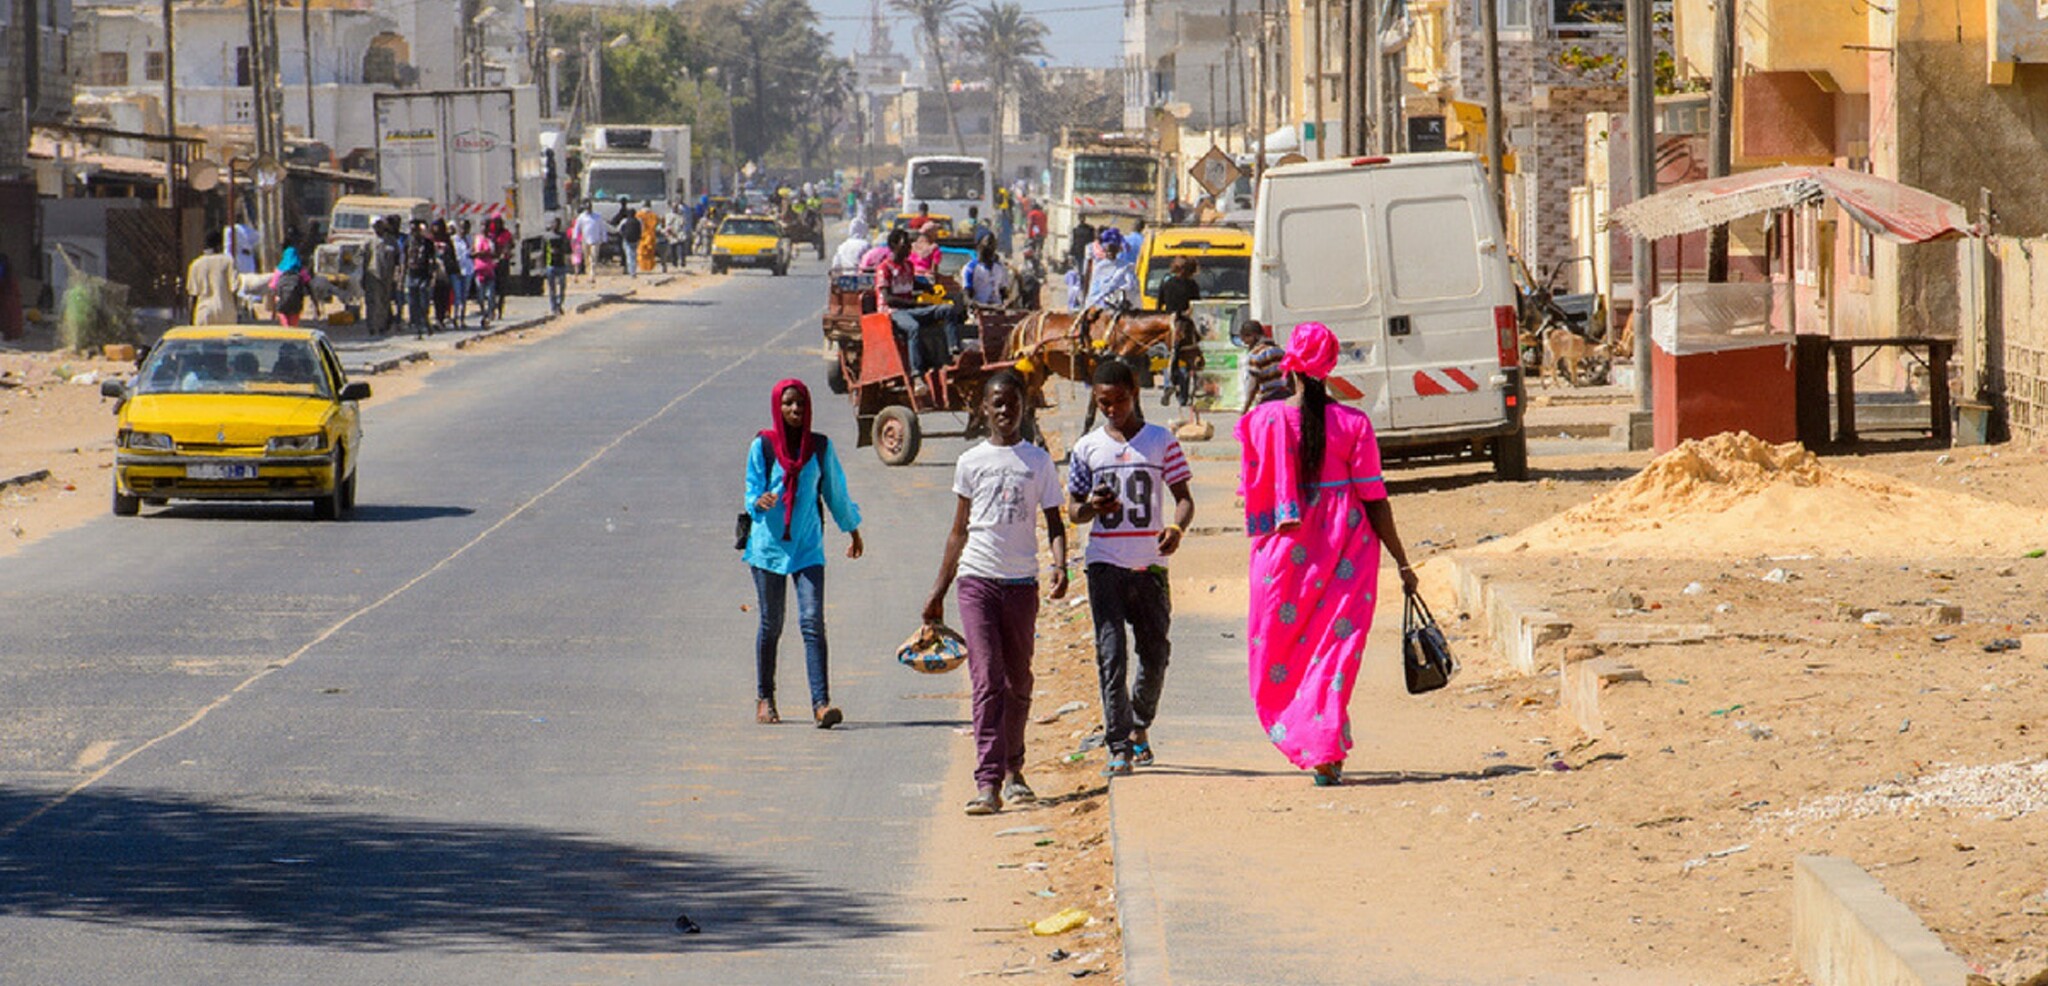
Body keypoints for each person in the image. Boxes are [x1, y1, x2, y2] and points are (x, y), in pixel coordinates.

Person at [1236, 322, 1419, 786]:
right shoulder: (1354, 424)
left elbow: (1251, 492)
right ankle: (1326, 745)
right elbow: (1375, 498)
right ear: (1332, 366)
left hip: (1283, 554)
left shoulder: (1262, 421)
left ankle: (1317, 739)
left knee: (1281, 650)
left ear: (1289, 363)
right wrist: (1401, 559)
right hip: (1347, 550)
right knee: (1334, 651)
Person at [923, 369, 1069, 815]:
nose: (1006, 411)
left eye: (1013, 403)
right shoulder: (971, 462)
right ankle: (988, 782)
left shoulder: (1038, 462)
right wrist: (938, 591)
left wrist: (1060, 564)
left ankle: (1014, 770)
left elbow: (1056, 523)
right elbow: (957, 532)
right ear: (984, 408)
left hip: (1022, 584)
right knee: (986, 680)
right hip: (977, 581)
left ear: (1025, 407)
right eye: (997, 403)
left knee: (1017, 680)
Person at [1067, 359, 1195, 777]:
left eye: (1119, 400)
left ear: (1134, 391)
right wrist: (1092, 507)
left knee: (1155, 653)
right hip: (1105, 564)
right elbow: (1075, 512)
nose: (1112, 409)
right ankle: (1118, 743)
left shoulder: (1161, 440)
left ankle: (1140, 724)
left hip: (1151, 567)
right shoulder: (1088, 448)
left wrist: (1176, 527)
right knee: (1111, 654)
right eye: (1103, 403)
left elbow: (1183, 497)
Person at [742, 379, 864, 729]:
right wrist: (758, 501)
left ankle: (821, 704)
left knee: (812, 622)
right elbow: (752, 489)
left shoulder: (819, 447)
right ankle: (765, 698)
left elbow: (835, 492)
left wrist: (852, 530)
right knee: (771, 623)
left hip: (808, 547)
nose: (795, 410)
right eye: (788, 404)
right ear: (778, 408)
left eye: (800, 404)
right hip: (768, 548)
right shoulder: (763, 445)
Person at [875, 228, 965, 398]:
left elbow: (913, 283)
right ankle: (917, 375)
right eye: (905, 243)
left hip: (910, 309)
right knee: (913, 327)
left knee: (947, 310)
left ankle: (954, 352)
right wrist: (915, 303)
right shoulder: (884, 268)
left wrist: (930, 289)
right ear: (894, 245)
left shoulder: (908, 266)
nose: (910, 247)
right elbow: (888, 298)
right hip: (892, 312)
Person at [186, 229, 241, 326]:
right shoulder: (228, 261)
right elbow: (234, 289)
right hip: (226, 313)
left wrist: (191, 320)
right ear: (220, 245)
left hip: (203, 313)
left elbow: (193, 296)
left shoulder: (196, 265)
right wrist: (237, 312)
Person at [1238, 319, 1289, 412]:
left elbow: (1253, 385)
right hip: (1285, 399)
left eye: (1246, 341)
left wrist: (1245, 408)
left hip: (1268, 402)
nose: (1247, 345)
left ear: (1252, 336)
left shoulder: (1255, 355)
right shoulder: (1280, 351)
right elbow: (1290, 378)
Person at [1084, 230, 1138, 312]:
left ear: (1117, 251)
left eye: (1112, 250)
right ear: (1104, 250)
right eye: (1108, 251)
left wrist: (1118, 293)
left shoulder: (1126, 267)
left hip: (1120, 307)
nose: (1110, 253)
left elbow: (1132, 286)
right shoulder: (1099, 267)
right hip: (1099, 307)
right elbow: (1094, 291)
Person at [404, 219, 437, 337]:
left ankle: (426, 322)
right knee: (413, 303)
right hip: (412, 275)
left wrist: (433, 276)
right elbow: (404, 260)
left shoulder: (427, 243)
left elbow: (433, 260)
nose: (413, 232)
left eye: (415, 229)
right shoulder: (408, 242)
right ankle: (417, 327)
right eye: (412, 230)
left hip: (424, 276)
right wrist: (401, 277)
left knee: (423, 302)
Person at [368, 218, 401, 336]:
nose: (378, 228)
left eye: (380, 225)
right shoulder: (370, 241)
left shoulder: (391, 241)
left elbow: (398, 259)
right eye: (376, 226)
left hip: (388, 276)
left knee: (385, 301)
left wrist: (397, 275)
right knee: (374, 302)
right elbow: (363, 259)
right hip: (373, 276)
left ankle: (382, 325)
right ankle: (373, 326)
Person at [268, 247, 313, 327]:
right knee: (294, 319)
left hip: (282, 299)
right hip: (296, 300)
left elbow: (272, 286)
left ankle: (286, 330)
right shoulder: (300, 270)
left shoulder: (280, 270)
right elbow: (308, 282)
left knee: (283, 316)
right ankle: (294, 331)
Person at [961, 238, 1010, 308]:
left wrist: (1007, 301)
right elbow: (966, 296)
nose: (989, 250)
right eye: (986, 247)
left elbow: (1003, 291)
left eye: (992, 247)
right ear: (979, 248)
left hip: (998, 309)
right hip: (979, 310)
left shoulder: (1000, 267)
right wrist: (973, 304)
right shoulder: (970, 268)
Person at [541, 216, 572, 315]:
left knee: (562, 287)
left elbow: (568, 249)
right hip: (551, 265)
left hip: (561, 265)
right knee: (552, 288)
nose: (556, 226)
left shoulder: (563, 236)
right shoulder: (547, 237)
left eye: (558, 224)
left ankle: (559, 304)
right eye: (554, 223)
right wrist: (543, 266)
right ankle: (554, 307)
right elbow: (543, 252)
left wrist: (562, 250)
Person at [573, 201, 609, 285]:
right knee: (586, 258)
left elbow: (602, 228)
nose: (588, 210)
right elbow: (577, 228)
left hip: (595, 240)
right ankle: (588, 273)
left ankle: (592, 275)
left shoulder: (597, 216)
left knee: (593, 258)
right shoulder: (581, 217)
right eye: (587, 208)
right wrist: (575, 238)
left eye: (589, 208)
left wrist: (604, 239)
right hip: (585, 240)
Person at [470, 222, 498, 331]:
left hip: (489, 271)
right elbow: (473, 253)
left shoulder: (491, 239)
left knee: (490, 295)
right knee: (480, 296)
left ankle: (490, 314)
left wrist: (483, 253)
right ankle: (484, 312)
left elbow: (493, 253)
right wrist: (481, 253)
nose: (484, 229)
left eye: (486, 227)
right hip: (479, 271)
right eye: (482, 227)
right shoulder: (477, 239)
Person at [451, 219, 476, 329]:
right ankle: (455, 317)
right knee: (457, 296)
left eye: (466, 228)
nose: (463, 230)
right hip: (457, 271)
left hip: (468, 270)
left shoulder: (470, 239)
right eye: (461, 227)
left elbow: (472, 253)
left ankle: (462, 318)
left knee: (464, 296)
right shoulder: (453, 240)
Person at [616, 201, 644, 277]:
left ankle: (631, 272)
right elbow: (642, 229)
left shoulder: (624, 221)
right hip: (636, 240)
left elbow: (618, 229)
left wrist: (623, 234)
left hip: (627, 240)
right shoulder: (639, 221)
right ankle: (633, 271)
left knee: (629, 255)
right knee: (634, 255)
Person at [635, 200, 661, 275]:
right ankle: (649, 268)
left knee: (642, 253)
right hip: (652, 237)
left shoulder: (638, 215)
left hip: (642, 237)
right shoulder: (654, 215)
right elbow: (658, 225)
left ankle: (643, 267)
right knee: (650, 253)